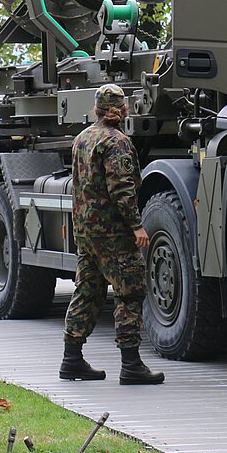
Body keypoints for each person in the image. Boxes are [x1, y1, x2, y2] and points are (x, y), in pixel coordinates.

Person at [60, 83, 164, 385]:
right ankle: (131, 365)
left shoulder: (83, 138)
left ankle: (71, 360)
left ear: (97, 109)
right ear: (123, 109)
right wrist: (136, 225)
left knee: (87, 292)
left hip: (86, 232)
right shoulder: (116, 142)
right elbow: (122, 188)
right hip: (113, 233)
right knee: (129, 292)